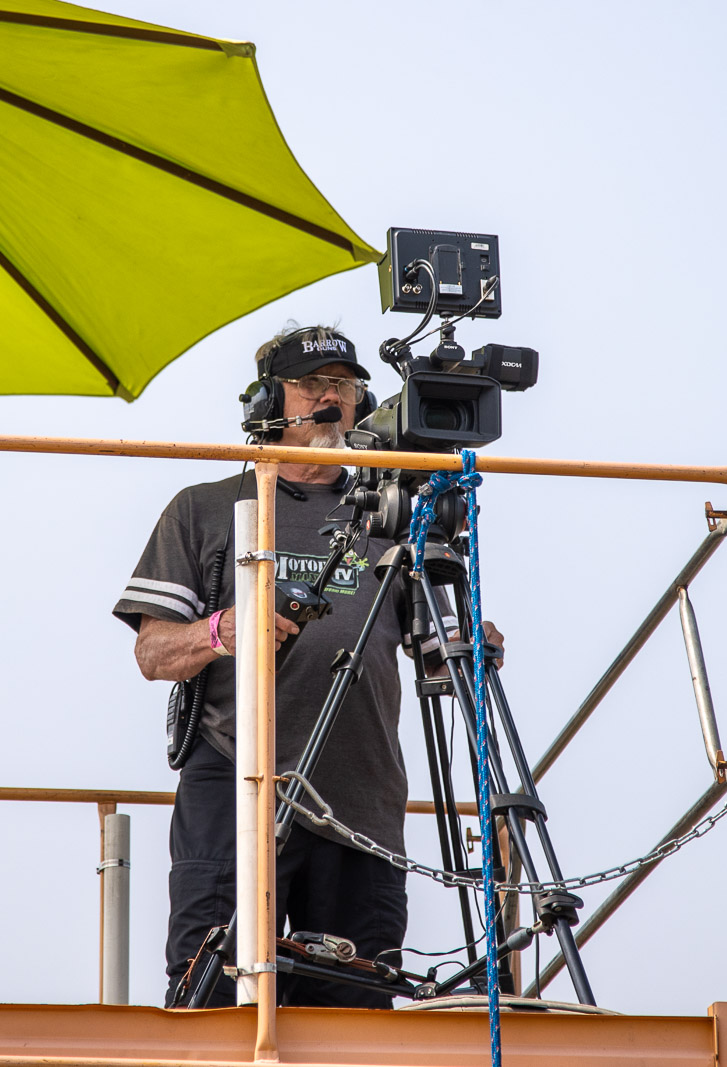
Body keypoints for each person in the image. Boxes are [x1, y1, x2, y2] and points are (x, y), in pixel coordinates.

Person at [113, 324, 500, 1009]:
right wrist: (223, 629)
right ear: (268, 400)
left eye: (345, 387)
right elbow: (153, 653)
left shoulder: (395, 513)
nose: (331, 399)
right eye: (312, 384)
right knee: (208, 1002)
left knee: (356, 1018)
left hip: (362, 800)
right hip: (235, 785)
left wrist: (469, 641)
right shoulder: (205, 508)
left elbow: (436, 652)